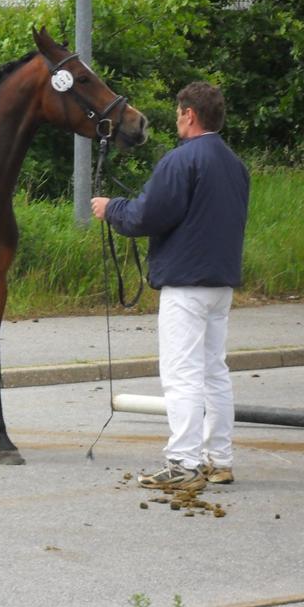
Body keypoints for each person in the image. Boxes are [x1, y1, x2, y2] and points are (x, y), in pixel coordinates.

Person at [91, 82, 250, 492]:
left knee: (181, 374)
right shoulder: (235, 165)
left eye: (179, 113)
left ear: (190, 115)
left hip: (185, 283)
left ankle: (183, 462)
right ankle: (220, 459)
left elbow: (147, 216)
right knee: (215, 371)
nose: (177, 119)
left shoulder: (181, 161)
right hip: (221, 282)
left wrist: (112, 209)